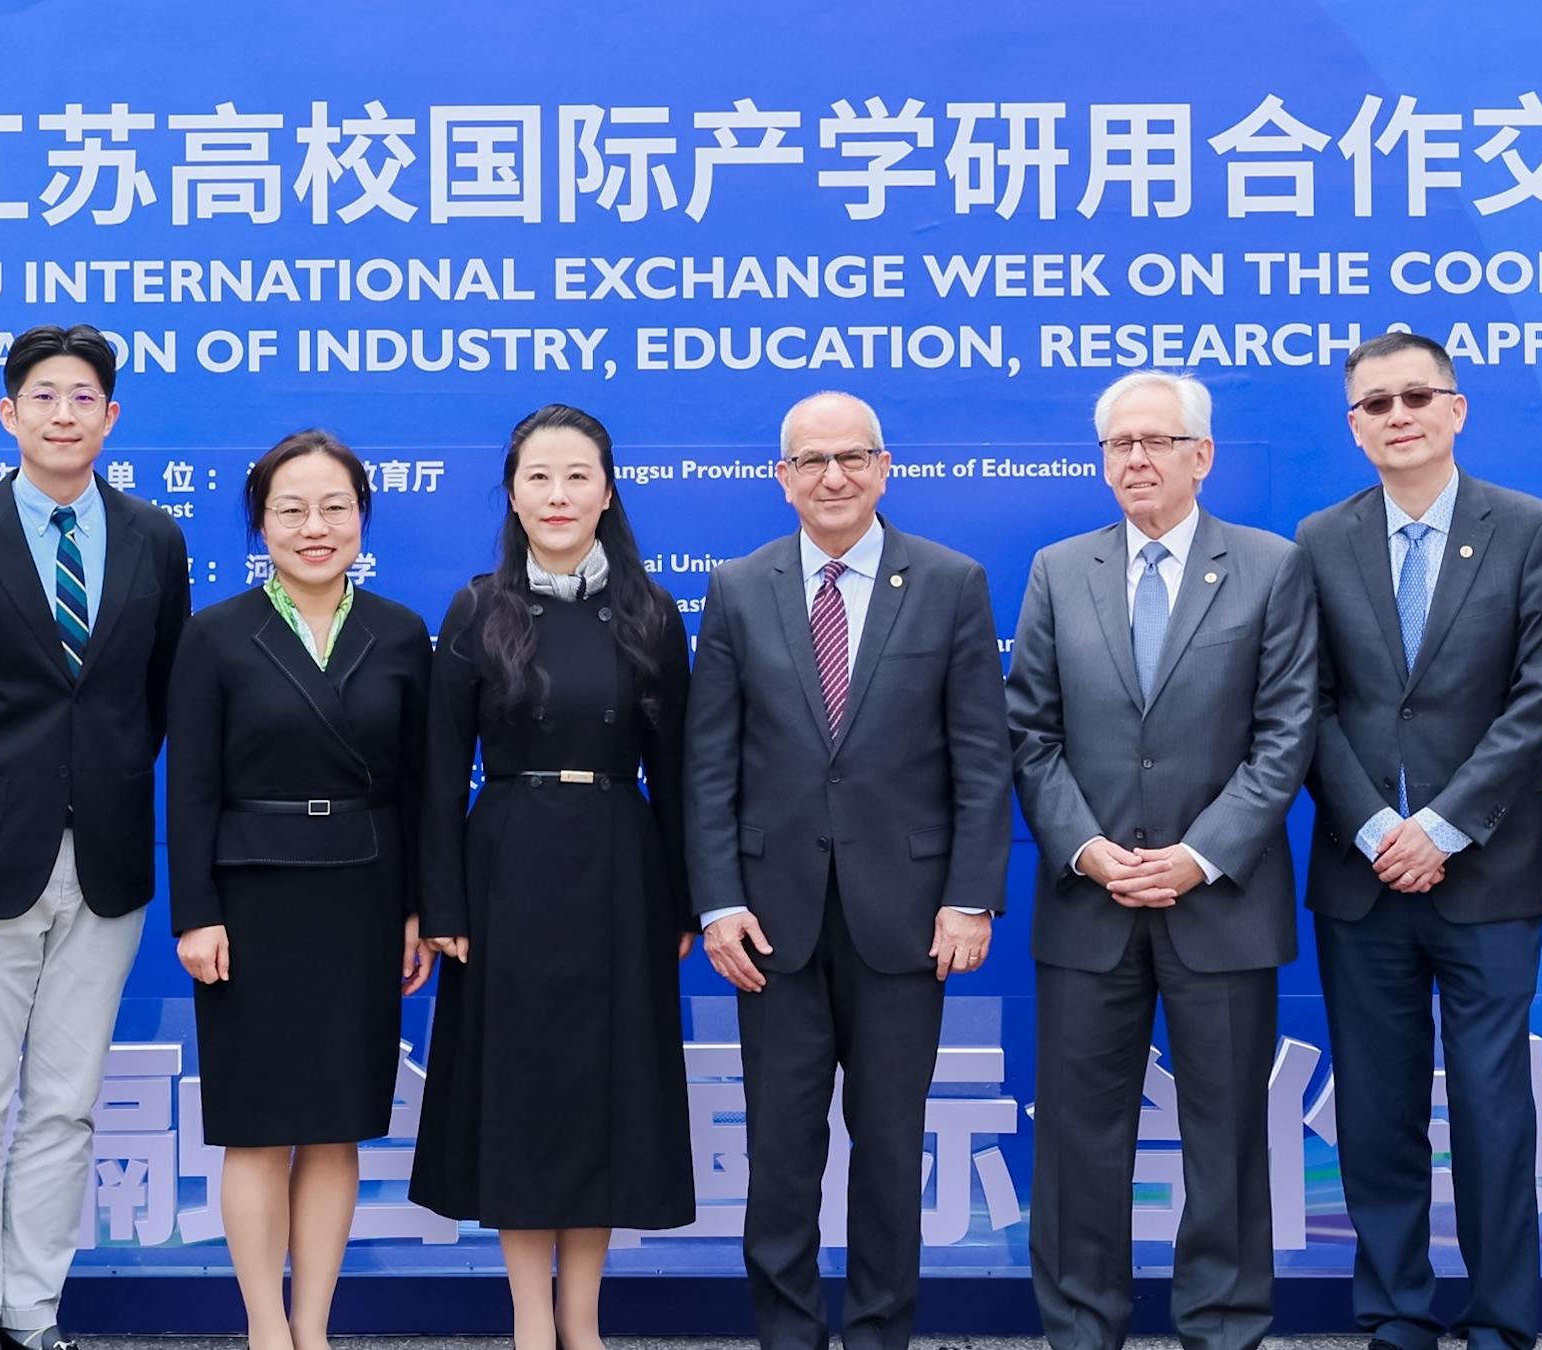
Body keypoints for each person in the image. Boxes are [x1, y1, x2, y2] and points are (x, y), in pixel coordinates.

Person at [0, 323, 191, 1350]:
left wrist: (87, 791)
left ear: (112, 416)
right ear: (9, 414)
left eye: (84, 397)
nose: (65, 414)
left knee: (66, 1104)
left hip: (105, 863)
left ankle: (32, 1310)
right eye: (44, 397)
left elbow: (156, 699)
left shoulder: (154, 539)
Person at [686, 390, 1010, 1350]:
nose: (834, 477)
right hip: (770, 927)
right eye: (812, 461)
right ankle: (787, 1337)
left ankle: (879, 1336)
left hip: (907, 923)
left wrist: (969, 899)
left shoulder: (950, 581)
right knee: (780, 1158)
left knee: (889, 1154)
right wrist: (717, 903)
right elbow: (710, 765)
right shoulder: (739, 587)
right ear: (781, 477)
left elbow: (982, 761)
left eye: (853, 458)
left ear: (884, 466)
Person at [1003, 371, 1316, 1350]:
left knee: (1225, 1140)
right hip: (1089, 903)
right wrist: (1089, 849)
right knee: (1078, 1141)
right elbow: (1030, 732)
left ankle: (1222, 1328)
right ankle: (1081, 1329)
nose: (1135, 460)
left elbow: (1286, 733)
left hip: (1220, 903)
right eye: (1118, 445)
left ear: (1201, 456)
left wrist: (1198, 855)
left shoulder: (1270, 567)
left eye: (1156, 442)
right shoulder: (1060, 569)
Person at [1296, 332, 1542, 1350]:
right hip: (1362, 869)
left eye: (1417, 396)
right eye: (1376, 404)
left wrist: (1445, 827)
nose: (1399, 415)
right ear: (1355, 428)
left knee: (1494, 1111)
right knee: (1374, 1114)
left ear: (1458, 409)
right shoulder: (1319, 540)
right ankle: (1396, 1314)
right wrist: (1379, 826)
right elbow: (1307, 706)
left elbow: (1539, 696)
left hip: (1490, 872)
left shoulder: (1531, 528)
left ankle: (1505, 1317)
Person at [410, 403, 695, 1350]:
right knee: (523, 1096)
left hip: (621, 865)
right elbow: (441, 771)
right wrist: (439, 900)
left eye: (579, 476)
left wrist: (689, 899)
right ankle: (533, 1321)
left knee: (603, 1093)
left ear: (608, 492)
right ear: (513, 494)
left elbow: (684, 771)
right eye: (540, 476)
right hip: (507, 868)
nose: (559, 494)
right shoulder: (478, 607)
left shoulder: (652, 612)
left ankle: (585, 1320)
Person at [165, 431, 436, 1350]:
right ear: (260, 523)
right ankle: (265, 1327)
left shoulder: (399, 632)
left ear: (362, 517)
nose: (314, 527)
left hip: (362, 895)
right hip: (251, 903)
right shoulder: (215, 633)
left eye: (334, 508)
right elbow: (191, 785)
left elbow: (421, 787)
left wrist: (418, 910)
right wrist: (195, 911)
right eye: (291, 509)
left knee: (334, 1127)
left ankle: (314, 1327)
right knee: (257, 1126)